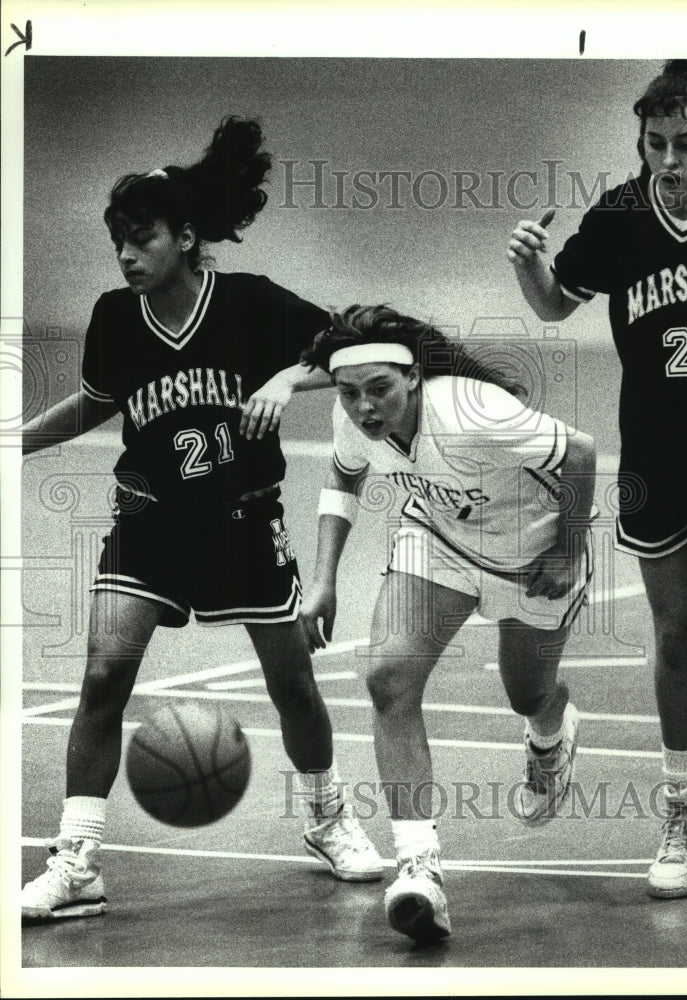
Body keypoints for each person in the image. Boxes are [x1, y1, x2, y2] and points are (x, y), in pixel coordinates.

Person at [20, 117, 383, 923]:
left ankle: (327, 818)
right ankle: (78, 860)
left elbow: (361, 346)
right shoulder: (116, 315)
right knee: (102, 677)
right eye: (116, 239)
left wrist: (290, 379)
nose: (124, 254)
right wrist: (15, 442)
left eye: (140, 237)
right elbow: (95, 403)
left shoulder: (250, 305)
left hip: (245, 525)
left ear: (186, 238)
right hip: (148, 524)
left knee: (292, 686)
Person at [507, 61, 687, 898]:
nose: (667, 158)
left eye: (685, 142)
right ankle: (686, 816)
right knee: (675, 638)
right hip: (657, 458)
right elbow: (555, 305)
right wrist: (528, 267)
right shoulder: (620, 216)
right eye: (655, 143)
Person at [299, 304, 597, 941]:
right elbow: (342, 479)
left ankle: (551, 725)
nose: (365, 407)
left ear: (412, 377)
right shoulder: (353, 419)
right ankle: (418, 865)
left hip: (533, 551)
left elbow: (580, 451)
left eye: (379, 389)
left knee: (527, 691)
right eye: (350, 392)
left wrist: (567, 550)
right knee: (387, 677)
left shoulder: (470, 410)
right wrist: (322, 579)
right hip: (439, 541)